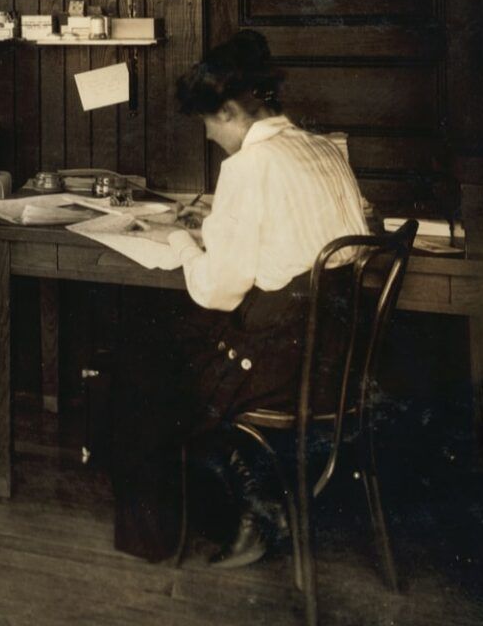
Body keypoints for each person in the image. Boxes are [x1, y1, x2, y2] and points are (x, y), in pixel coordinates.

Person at [109, 29, 370, 566]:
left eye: (208, 121)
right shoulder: (321, 147)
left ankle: (170, 529)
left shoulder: (247, 167)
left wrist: (180, 239)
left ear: (229, 110)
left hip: (280, 365)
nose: (208, 135)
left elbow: (218, 290)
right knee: (164, 345)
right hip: (337, 358)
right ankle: (245, 490)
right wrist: (218, 221)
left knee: (140, 355)